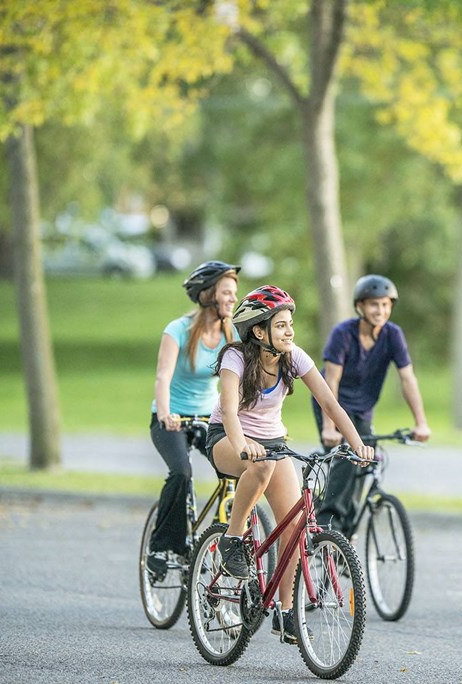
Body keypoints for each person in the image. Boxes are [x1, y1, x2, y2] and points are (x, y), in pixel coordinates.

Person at [206, 285, 375, 645]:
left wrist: (357, 444)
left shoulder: (293, 357)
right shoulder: (235, 358)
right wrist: (241, 446)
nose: (289, 331)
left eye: (290, 324)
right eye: (281, 325)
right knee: (262, 466)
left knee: (295, 524)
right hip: (226, 438)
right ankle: (233, 539)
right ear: (258, 331)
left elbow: (331, 404)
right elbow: (231, 412)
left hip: (273, 444)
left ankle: (286, 614)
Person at [312, 274, 431, 533]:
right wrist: (329, 428)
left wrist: (420, 422)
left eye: (386, 305)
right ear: (361, 306)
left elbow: (408, 379)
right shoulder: (343, 334)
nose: (381, 310)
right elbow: (331, 381)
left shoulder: (393, 335)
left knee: (364, 465)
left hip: (363, 409)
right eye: (375, 304)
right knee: (347, 461)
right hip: (331, 404)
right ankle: (326, 525)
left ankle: (345, 536)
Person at [146, 260, 240, 577]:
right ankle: (161, 546)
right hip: (171, 417)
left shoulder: (234, 334)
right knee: (182, 473)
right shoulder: (178, 330)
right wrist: (166, 413)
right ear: (207, 295)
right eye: (226, 292)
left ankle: (227, 536)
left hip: (209, 419)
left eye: (234, 293)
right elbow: (162, 376)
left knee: (239, 471)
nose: (232, 299)